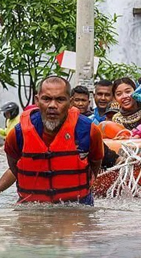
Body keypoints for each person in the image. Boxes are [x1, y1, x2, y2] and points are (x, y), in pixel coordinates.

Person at [1, 76, 104, 204]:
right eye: (46, 99)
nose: (52, 105)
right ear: (37, 100)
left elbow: (95, 163)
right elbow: (14, 166)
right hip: (32, 207)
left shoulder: (89, 131)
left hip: (77, 205)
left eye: (60, 100)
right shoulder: (18, 134)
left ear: (70, 102)